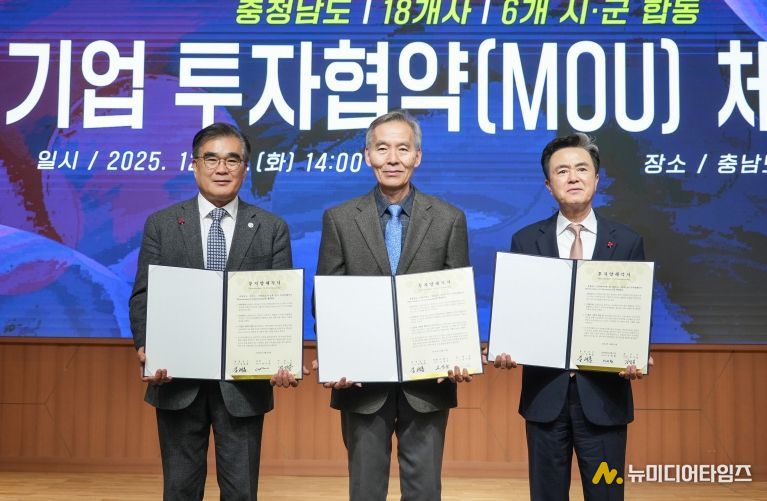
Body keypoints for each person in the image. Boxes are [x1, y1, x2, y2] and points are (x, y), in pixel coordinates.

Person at [129, 122, 301, 501]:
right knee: (180, 490)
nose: (222, 168)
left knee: (241, 492)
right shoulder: (162, 225)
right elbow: (144, 295)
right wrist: (147, 347)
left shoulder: (271, 228)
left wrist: (282, 356)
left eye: (232, 160)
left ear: (245, 168)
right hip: (176, 378)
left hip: (243, 386)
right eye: (212, 159)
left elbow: (281, 303)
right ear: (194, 165)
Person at [314, 110, 472, 501]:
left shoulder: (449, 219)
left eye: (403, 149)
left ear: (418, 156)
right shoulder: (339, 219)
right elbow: (326, 300)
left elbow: (458, 301)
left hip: (428, 383)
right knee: (365, 490)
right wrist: (336, 358)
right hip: (361, 383)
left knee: (425, 492)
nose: (392, 158)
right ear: (367, 155)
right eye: (382, 148)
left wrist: (458, 353)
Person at [493, 132, 652, 501]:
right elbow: (517, 311)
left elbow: (636, 311)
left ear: (597, 179)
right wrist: (506, 345)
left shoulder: (626, 241)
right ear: (549, 185)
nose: (573, 177)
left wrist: (637, 353)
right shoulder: (525, 240)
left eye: (582, 169)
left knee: (607, 493)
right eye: (561, 171)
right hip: (545, 398)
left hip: (605, 400)